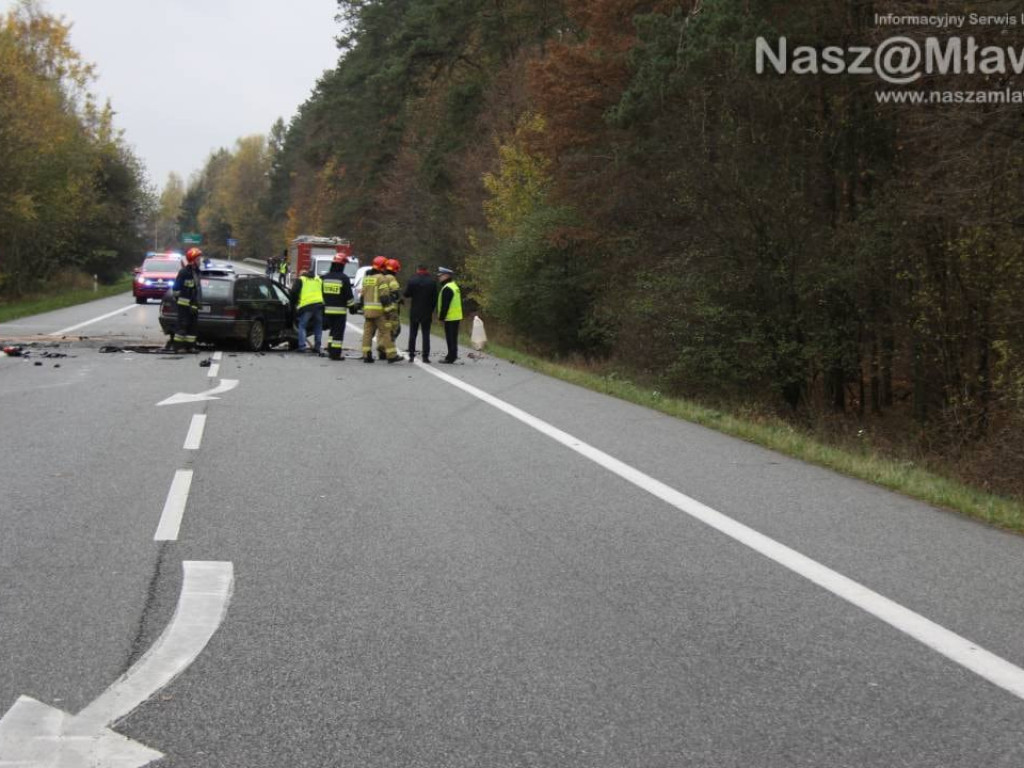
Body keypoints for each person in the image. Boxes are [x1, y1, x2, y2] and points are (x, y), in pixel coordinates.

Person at [360, 256, 400, 363]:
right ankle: (391, 355)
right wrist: (388, 310)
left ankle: (366, 355)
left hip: (368, 311)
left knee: (367, 333)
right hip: (379, 312)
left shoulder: (367, 278)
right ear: (382, 267)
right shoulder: (381, 278)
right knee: (386, 332)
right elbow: (384, 296)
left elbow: (362, 295)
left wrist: (362, 308)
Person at [322, 254, 354, 360]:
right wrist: (352, 307)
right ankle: (335, 354)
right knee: (338, 333)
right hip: (339, 312)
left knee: (332, 332)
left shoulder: (325, 277)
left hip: (326, 310)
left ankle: (331, 349)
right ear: (341, 265)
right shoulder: (343, 278)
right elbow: (348, 295)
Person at [170, 247, 203, 352]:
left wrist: (196, 303)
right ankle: (178, 347)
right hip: (184, 306)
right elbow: (176, 289)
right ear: (193, 260)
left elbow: (197, 289)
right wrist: (181, 301)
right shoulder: (184, 272)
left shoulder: (197, 272)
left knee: (193, 326)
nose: (200, 261)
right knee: (182, 326)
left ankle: (190, 347)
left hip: (194, 305)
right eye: (198, 259)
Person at [403, 263, 437, 363]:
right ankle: (425, 357)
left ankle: (411, 356)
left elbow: (406, 294)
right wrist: (431, 309)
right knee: (426, 334)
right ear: (427, 270)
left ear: (417, 269)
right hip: (426, 311)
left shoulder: (412, 280)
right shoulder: (431, 282)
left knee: (413, 334)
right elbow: (435, 298)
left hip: (415, 311)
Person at [290, 266, 325, 354]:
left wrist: (293, 304)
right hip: (319, 305)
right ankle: (317, 347)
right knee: (318, 326)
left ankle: (302, 346)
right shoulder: (318, 279)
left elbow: (293, 292)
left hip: (307, 306)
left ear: (302, 274)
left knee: (302, 325)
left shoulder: (301, 280)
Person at [436, 266, 463, 364]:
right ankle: (452, 355)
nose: (439, 277)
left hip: (450, 316)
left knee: (450, 338)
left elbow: (445, 305)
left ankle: (451, 357)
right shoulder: (454, 286)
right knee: (453, 337)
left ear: (446, 276)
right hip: (456, 316)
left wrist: (441, 317)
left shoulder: (447, 288)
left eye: (441, 276)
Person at [382, 258, 403, 356]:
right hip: (392, 308)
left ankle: (382, 351)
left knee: (384, 329)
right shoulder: (391, 278)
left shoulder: (381, 277)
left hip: (382, 308)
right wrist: (400, 299)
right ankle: (386, 348)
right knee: (395, 329)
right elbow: (395, 291)